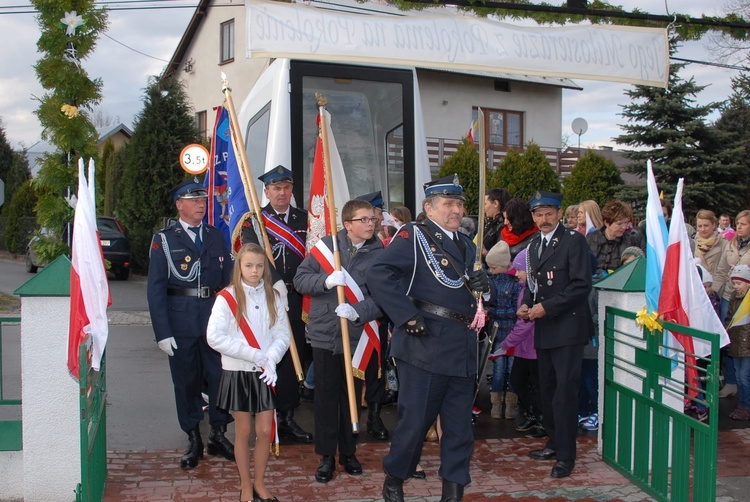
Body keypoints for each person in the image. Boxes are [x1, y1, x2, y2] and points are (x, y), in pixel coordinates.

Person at [368, 174, 490, 502]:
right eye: (448, 203)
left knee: (460, 426)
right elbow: (378, 274)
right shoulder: (414, 235)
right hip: (426, 344)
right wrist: (406, 316)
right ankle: (395, 476)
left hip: (462, 345)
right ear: (429, 208)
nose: (456, 209)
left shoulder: (467, 245)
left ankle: (453, 490)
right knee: (416, 423)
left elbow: (468, 295)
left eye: (460, 203)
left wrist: (483, 286)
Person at [293, 198, 385, 483]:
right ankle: (325, 456)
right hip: (324, 334)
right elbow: (300, 279)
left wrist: (358, 311)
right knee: (325, 399)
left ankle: (348, 452)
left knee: (350, 399)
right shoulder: (326, 248)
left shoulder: (380, 252)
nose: (371, 224)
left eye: (372, 219)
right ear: (348, 224)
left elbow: (383, 298)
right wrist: (325, 282)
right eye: (364, 220)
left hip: (357, 337)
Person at [147, 177, 235, 469]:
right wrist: (162, 331)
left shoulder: (215, 235)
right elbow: (156, 288)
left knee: (221, 377)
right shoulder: (164, 239)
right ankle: (194, 437)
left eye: (203, 200)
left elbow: (227, 282)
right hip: (181, 321)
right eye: (194, 200)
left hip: (213, 320)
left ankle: (219, 434)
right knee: (185, 382)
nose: (200, 204)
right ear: (179, 205)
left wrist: (233, 321)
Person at [517, 190, 592, 479]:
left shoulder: (574, 241)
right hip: (545, 329)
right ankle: (553, 441)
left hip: (568, 329)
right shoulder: (534, 245)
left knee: (564, 393)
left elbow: (580, 285)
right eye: (539, 214)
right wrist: (526, 304)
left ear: (559, 214)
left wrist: (545, 308)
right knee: (546, 390)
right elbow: (533, 285)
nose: (544, 219)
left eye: (549, 213)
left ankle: (566, 456)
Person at [207, 243, 290, 502]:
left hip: (265, 372)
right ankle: (245, 485)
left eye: (259, 265)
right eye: (249, 265)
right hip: (240, 371)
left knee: (265, 431)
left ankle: (260, 483)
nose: (254, 270)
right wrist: (253, 354)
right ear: (239, 267)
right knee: (243, 431)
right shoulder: (227, 298)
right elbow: (214, 337)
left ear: (265, 268)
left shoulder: (273, 297)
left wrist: (271, 358)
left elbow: (283, 334)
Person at [240, 165, 313, 444]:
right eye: (276, 188)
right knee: (267, 354)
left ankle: (287, 417)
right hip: (267, 297)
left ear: (291, 189)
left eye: (286, 188)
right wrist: (276, 281)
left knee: (293, 355)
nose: (282, 193)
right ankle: (265, 416)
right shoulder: (255, 221)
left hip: (299, 298)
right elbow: (252, 255)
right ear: (267, 191)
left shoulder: (305, 220)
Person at [491, 249, 543, 436]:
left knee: (533, 384)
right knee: (519, 380)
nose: (516, 272)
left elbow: (524, 324)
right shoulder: (524, 289)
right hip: (524, 347)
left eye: (520, 270)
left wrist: (506, 344)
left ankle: (540, 417)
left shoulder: (530, 291)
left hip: (531, 346)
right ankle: (534, 414)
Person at [355, 191, 391, 440]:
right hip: (353, 318)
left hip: (377, 316)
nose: (376, 219)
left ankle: (375, 417)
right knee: (354, 366)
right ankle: (353, 417)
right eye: (373, 214)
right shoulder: (347, 244)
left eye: (375, 216)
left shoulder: (381, 245)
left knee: (376, 369)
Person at [485, 241, 522, 420]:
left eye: (493, 267)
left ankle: (510, 404)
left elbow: (516, 309)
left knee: (511, 368)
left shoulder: (515, 284)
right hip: (498, 332)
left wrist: (491, 312)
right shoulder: (490, 281)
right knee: (499, 368)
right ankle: (497, 404)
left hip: (510, 332)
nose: (491, 270)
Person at [715, 210, 750, 399]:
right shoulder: (731, 244)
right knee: (729, 339)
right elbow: (721, 270)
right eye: (737, 223)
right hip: (729, 296)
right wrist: (713, 290)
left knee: (745, 339)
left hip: (747, 298)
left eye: (743, 224)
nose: (739, 227)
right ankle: (731, 381)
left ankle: (744, 385)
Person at [586, 199, 640, 276]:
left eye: (626, 222)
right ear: (607, 223)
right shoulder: (591, 238)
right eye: (619, 224)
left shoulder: (630, 240)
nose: (624, 227)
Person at [726, 264, 750, 421]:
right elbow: (729, 318)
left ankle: (746, 405)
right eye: (734, 283)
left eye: (739, 283)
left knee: (743, 376)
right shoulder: (734, 298)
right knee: (739, 374)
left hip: (747, 345)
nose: (736, 287)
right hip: (736, 342)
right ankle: (741, 404)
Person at [692, 209, 730, 297]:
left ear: (713, 225)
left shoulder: (724, 243)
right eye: (700, 226)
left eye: (706, 225)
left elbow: (723, 270)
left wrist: (714, 289)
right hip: (697, 291)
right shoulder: (692, 243)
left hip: (716, 290)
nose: (703, 229)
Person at [482, 187, 511, 257]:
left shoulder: (503, 226)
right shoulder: (491, 224)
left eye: (485, 204)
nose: (483, 208)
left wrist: (486, 254)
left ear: (495, 203)